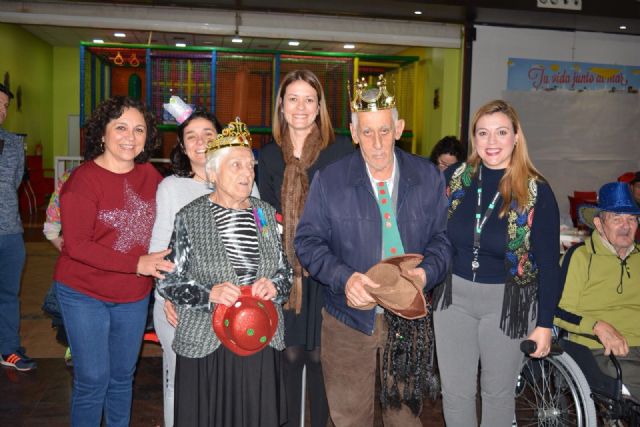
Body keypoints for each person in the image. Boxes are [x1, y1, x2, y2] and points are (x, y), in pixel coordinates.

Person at [294, 75, 451, 426]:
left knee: (405, 419)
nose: (377, 143)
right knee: (350, 418)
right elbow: (307, 241)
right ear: (353, 134)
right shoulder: (330, 180)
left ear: (399, 128)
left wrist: (427, 273)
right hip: (348, 319)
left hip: (407, 318)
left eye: (384, 130)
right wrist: (343, 277)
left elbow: (442, 239)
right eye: (367, 132)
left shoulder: (427, 177)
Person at [433, 99, 561, 427]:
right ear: (473, 138)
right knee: (456, 395)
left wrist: (544, 324)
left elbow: (549, 264)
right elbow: (434, 233)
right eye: (483, 133)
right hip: (453, 299)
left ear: (516, 136)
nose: (492, 142)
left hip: (508, 304)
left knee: (497, 397)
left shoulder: (536, 191)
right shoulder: (456, 178)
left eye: (501, 132)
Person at [156, 118, 292, 427]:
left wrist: (274, 286)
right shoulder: (190, 217)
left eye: (250, 166)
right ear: (214, 172)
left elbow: (285, 271)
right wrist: (209, 294)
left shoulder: (264, 214)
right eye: (237, 166)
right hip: (208, 344)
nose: (247, 174)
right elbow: (169, 279)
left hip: (259, 338)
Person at [53, 96, 173, 425]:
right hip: (83, 292)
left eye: (138, 129)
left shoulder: (152, 177)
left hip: (132, 295)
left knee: (122, 378)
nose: (129, 137)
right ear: (102, 134)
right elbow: (76, 245)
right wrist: (137, 264)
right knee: (93, 380)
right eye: (120, 127)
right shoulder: (82, 181)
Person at [258, 69, 354, 427]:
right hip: (287, 272)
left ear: (319, 108)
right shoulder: (268, 156)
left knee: (319, 357)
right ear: (281, 105)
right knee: (290, 355)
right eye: (293, 98)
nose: (301, 107)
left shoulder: (341, 151)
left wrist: (319, 254)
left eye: (309, 100)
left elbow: (348, 211)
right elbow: (266, 216)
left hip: (328, 269)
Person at [555, 182, 640, 399]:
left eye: (631, 219)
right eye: (617, 218)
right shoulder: (580, 257)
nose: (626, 226)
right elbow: (557, 311)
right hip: (600, 350)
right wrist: (597, 326)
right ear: (599, 223)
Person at [0, 82, 37, 371]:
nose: (2, 111)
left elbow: (12, 185)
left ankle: (8, 349)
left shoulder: (13, 142)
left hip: (10, 232)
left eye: (4, 106)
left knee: (8, 294)